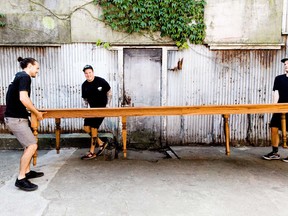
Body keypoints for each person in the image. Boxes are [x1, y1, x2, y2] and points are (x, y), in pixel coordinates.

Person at [4, 57, 46, 191]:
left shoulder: (18, 76)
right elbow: (23, 98)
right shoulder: (24, 77)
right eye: (37, 68)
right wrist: (37, 112)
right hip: (16, 119)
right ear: (29, 66)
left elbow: (20, 98)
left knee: (27, 146)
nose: (37, 71)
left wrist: (34, 110)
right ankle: (21, 178)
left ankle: (27, 172)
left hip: (15, 117)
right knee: (32, 145)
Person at [80, 64, 112, 160]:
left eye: (90, 72)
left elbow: (109, 92)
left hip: (101, 109)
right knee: (86, 128)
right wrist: (85, 110)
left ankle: (92, 152)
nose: (88, 75)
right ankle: (101, 143)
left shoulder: (100, 81)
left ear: (93, 72)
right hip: (91, 110)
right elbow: (85, 99)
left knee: (94, 128)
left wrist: (108, 105)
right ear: (84, 74)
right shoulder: (84, 85)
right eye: (86, 73)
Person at [263, 57, 288, 162]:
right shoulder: (279, 78)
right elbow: (276, 93)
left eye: (287, 64)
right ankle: (274, 152)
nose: (286, 66)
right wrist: (274, 106)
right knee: (274, 128)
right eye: (285, 64)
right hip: (279, 108)